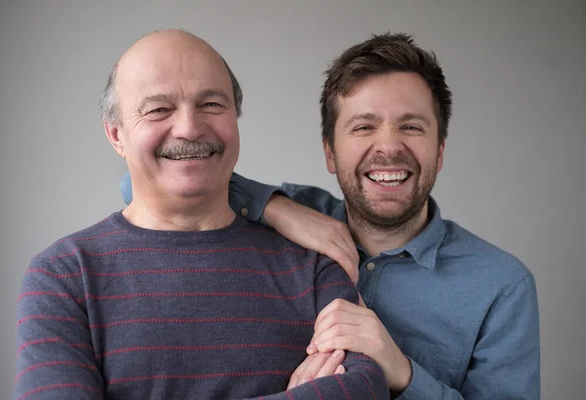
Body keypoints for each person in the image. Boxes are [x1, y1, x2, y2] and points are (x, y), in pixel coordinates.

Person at [119, 32, 541, 399]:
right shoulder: (282, 220)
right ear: (329, 153)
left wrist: (403, 373)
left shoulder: (502, 285)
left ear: (441, 150)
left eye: (412, 127)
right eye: (363, 127)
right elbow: (142, 185)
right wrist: (276, 207)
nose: (389, 148)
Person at [14, 30, 389, 400]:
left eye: (211, 104)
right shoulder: (63, 275)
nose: (190, 128)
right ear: (117, 135)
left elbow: (365, 386)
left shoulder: (313, 262)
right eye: (159, 109)